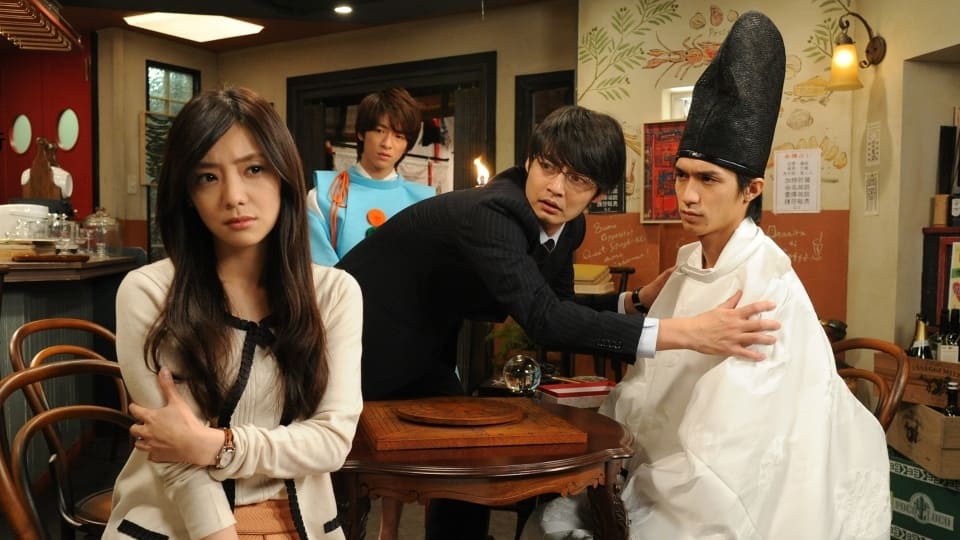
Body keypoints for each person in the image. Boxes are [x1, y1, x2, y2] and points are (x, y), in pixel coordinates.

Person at [522, 11, 890, 540]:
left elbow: (738, 440)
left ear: (751, 190)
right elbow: (648, 387)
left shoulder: (767, 283)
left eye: (709, 180)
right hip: (658, 459)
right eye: (681, 176)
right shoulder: (691, 263)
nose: (688, 196)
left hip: (734, 486)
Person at [336, 104, 781, 539]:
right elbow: (546, 321)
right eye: (548, 167)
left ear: (599, 193)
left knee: (468, 462)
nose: (555, 187)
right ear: (529, 161)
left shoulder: (571, 227)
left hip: (422, 341)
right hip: (346, 337)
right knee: (332, 472)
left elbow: (559, 304)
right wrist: (690, 333)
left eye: (578, 179)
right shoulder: (493, 212)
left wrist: (634, 301)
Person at [104, 86, 363, 540]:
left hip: (301, 523)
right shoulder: (148, 292)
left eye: (254, 169)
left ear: (283, 175)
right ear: (187, 193)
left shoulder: (335, 293)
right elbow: (177, 458)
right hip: (178, 525)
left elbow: (331, 441)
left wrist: (216, 445)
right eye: (208, 177)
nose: (234, 196)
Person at [307, 87, 435, 265]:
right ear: (361, 133)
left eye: (399, 136)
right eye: (380, 131)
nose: (387, 144)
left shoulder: (424, 203)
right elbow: (318, 268)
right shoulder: (323, 195)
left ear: (407, 145)